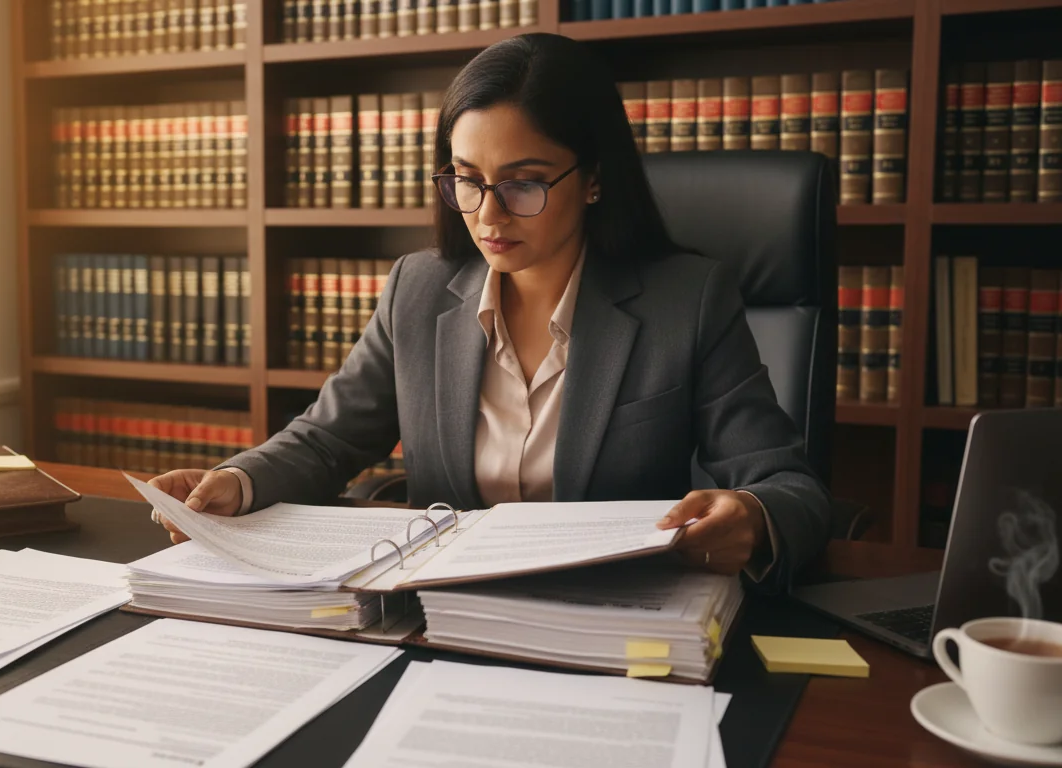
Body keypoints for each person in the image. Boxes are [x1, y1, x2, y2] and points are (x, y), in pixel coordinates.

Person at [150, 32, 832, 593]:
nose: (488, 214)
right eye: (467, 181)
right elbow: (329, 440)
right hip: (444, 612)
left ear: (594, 178)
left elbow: (787, 486)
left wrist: (752, 514)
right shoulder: (418, 288)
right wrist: (236, 484)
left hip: (610, 617)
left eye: (524, 184)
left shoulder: (688, 299)